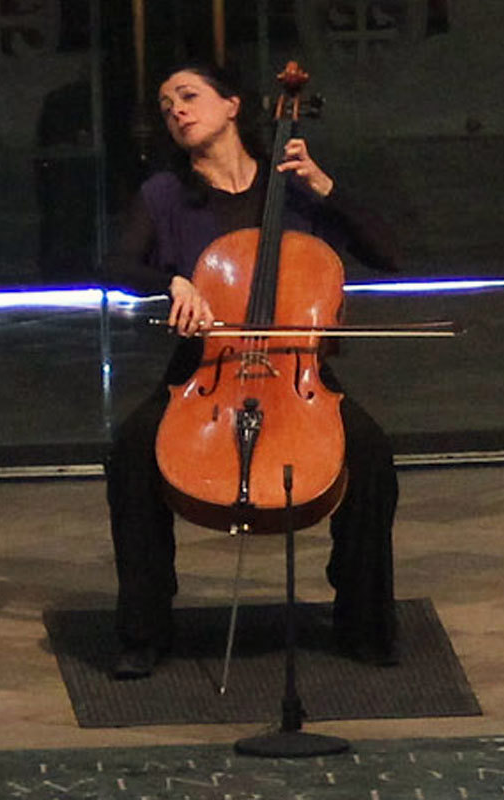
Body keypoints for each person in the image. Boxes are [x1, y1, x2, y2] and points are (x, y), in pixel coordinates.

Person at [105, 61, 401, 680]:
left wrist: (326, 187)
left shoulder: (292, 188)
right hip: (204, 369)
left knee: (371, 456)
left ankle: (363, 619)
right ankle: (145, 627)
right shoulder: (164, 194)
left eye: (188, 96)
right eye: (166, 107)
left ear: (233, 104)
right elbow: (117, 267)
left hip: (298, 372)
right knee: (131, 451)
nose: (176, 112)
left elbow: (387, 254)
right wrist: (173, 282)